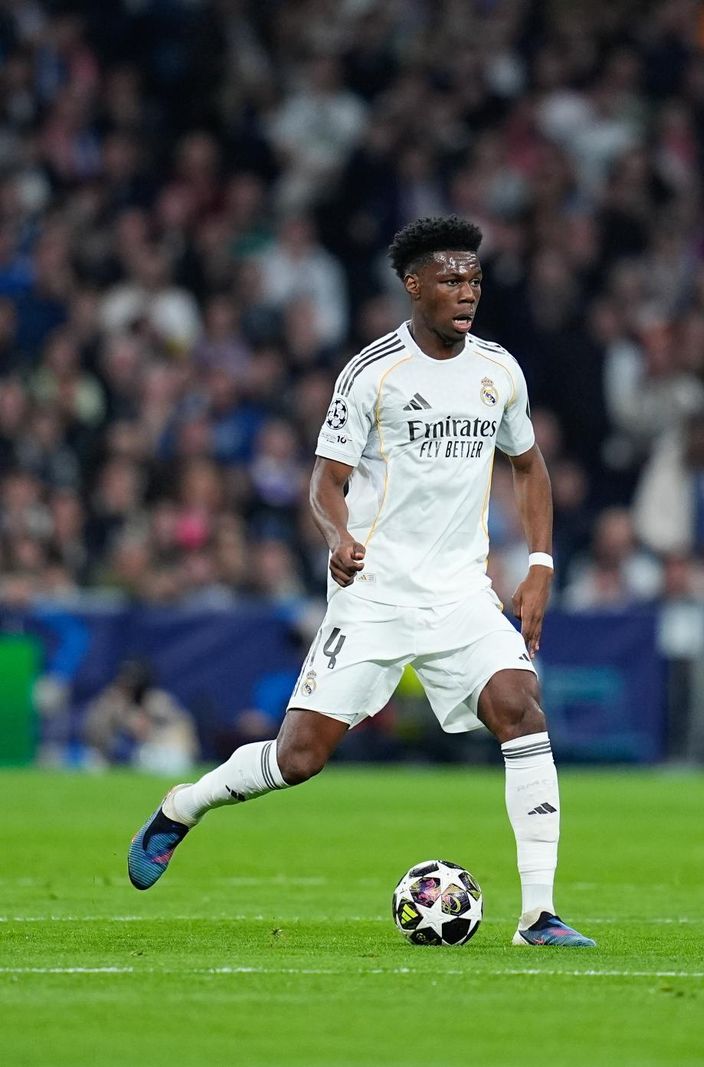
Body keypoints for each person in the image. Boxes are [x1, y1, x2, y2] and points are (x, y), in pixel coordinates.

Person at [127, 216, 595, 947]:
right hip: (373, 592)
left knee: (519, 704)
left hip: (461, 591)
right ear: (413, 286)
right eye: (449, 279)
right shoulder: (372, 372)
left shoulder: (498, 370)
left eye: (473, 279)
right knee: (299, 757)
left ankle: (539, 914)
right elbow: (326, 479)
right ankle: (184, 804)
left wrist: (540, 563)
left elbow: (528, 465)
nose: (466, 292)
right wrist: (338, 534)